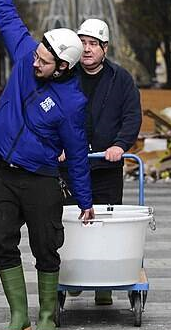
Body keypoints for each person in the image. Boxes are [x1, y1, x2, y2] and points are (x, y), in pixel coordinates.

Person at [0, 0, 94, 330]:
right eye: (37, 55)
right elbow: (7, 15)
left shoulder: (72, 102)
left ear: (63, 67)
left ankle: (46, 316)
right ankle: (18, 315)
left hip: (41, 178)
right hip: (2, 171)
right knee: (1, 239)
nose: (34, 62)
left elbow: (77, 153)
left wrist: (85, 199)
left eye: (44, 62)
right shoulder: (28, 51)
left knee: (46, 247)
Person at [61, 18, 142, 305]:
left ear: (104, 48)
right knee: (71, 221)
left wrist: (120, 145)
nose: (86, 49)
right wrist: (58, 146)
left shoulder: (121, 79)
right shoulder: (66, 76)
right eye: (82, 43)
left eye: (93, 44)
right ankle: (73, 274)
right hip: (71, 165)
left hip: (106, 167)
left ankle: (105, 285)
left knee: (106, 222)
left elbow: (132, 117)